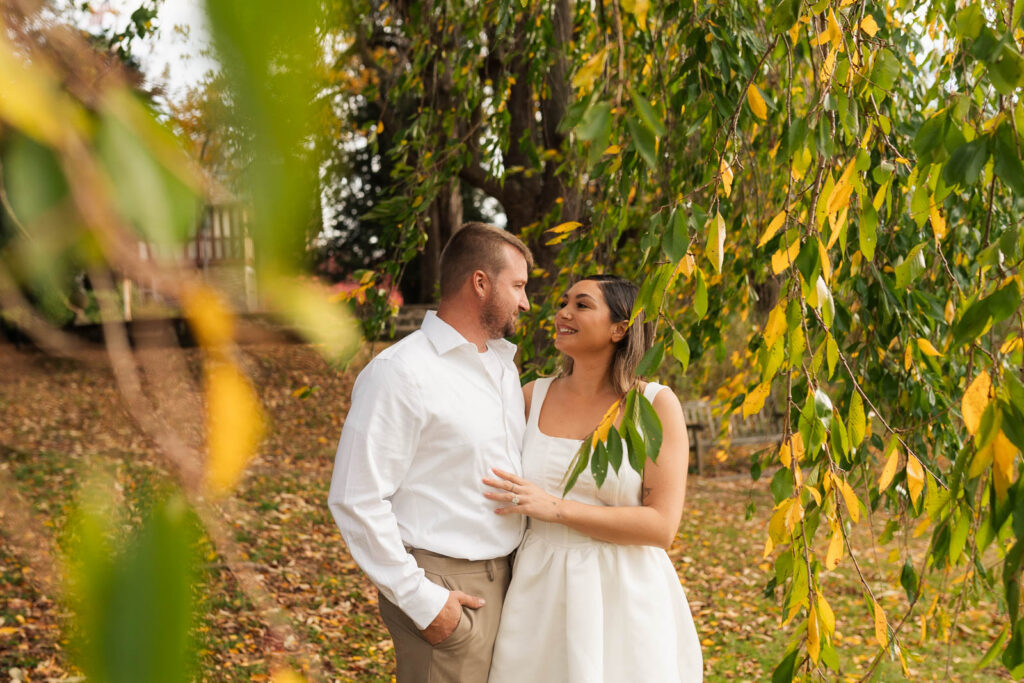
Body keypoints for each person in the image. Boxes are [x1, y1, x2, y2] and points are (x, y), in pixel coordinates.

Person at [328, 222, 533, 683]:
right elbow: (355, 498)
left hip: (509, 582)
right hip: (445, 587)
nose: (525, 302)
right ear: (480, 282)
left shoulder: (502, 366)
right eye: (518, 286)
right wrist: (423, 602)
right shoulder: (401, 372)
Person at [484, 274, 703, 682]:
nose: (563, 313)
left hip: (623, 591)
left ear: (620, 328)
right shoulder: (531, 396)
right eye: (564, 303)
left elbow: (661, 526)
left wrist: (557, 508)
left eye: (582, 305)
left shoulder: (653, 405)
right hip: (539, 586)